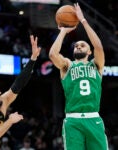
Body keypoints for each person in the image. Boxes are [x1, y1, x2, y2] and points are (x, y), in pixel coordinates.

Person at [49, 3, 108, 150]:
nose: (78, 46)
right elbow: (52, 55)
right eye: (76, 45)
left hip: (93, 118)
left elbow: (99, 47)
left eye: (82, 45)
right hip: (73, 120)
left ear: (89, 52)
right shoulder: (67, 66)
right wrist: (63, 31)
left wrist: (83, 21)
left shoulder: (96, 65)